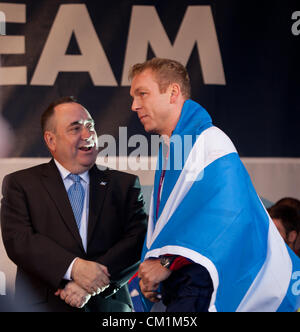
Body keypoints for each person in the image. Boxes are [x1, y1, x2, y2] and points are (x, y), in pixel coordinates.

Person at [128, 57, 300, 312]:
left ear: (173, 92)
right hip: (184, 285)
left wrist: (165, 263)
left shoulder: (211, 142)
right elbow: (171, 224)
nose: (134, 106)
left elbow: (228, 217)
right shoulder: (174, 149)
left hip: (201, 285)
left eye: (142, 94)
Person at [0, 96, 147, 312]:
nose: (88, 135)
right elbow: (20, 241)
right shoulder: (20, 184)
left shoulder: (123, 184)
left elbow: (136, 241)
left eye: (90, 126)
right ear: (51, 140)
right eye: (75, 128)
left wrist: (90, 287)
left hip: (109, 307)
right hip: (42, 305)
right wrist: (73, 268)